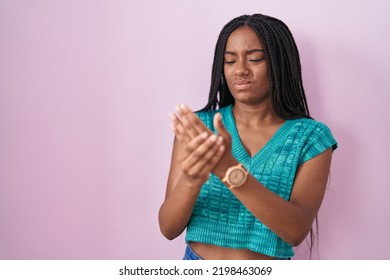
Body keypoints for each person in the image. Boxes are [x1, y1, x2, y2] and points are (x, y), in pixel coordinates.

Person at [158, 13, 338, 260]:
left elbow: (295, 230)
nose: (240, 70)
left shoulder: (310, 137)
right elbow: (168, 228)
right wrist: (193, 177)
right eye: (230, 61)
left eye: (254, 59)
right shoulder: (200, 128)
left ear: (279, 63)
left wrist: (228, 169)